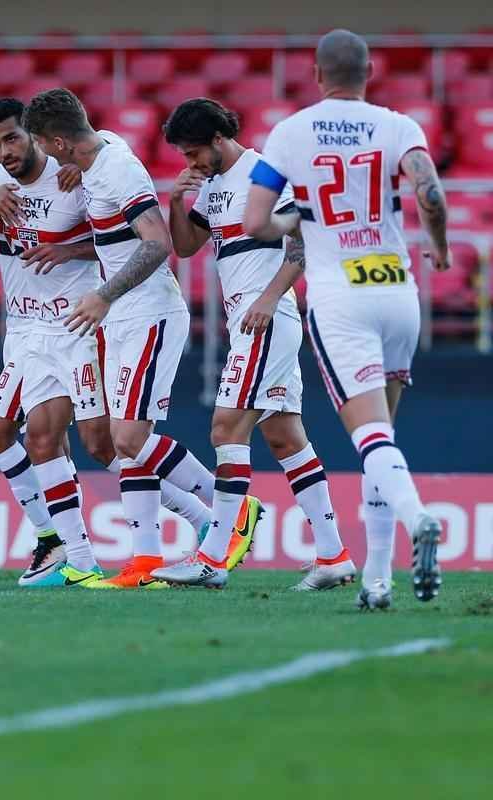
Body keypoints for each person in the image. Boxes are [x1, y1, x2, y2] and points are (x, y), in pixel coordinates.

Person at [0, 99, 217, 587]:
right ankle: (72, 553)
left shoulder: (75, 176)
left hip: (78, 326)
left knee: (103, 444)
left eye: (12, 138)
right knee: (29, 437)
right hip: (26, 332)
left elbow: (117, 239)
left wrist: (68, 250)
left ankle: (203, 515)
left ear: (38, 138)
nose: (4, 151)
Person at [23, 88, 262, 589]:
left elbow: (158, 244)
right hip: (122, 319)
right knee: (125, 444)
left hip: (148, 314)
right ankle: (145, 561)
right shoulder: (100, 153)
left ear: (58, 142)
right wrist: (73, 239)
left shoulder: (118, 169)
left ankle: (229, 508)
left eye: (43, 144)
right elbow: (116, 230)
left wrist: (104, 295)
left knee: (129, 438)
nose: (42, 153)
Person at [243, 29, 449, 610]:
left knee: (369, 436)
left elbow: (256, 222)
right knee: (383, 440)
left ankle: (418, 517)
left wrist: (296, 220)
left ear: (316, 74)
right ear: (370, 71)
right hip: (397, 290)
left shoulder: (291, 132)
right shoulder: (397, 125)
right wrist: (439, 247)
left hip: (341, 296)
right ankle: (377, 581)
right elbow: (430, 191)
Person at [151, 98, 355, 591]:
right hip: (253, 320)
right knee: (285, 437)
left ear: (219, 139)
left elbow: (301, 246)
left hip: (265, 318)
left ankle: (212, 558)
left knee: (226, 428)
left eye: (194, 152)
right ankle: (333, 556)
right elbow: (186, 247)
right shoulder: (212, 184)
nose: (191, 163)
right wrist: (176, 203)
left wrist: (267, 298)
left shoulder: (265, 175)